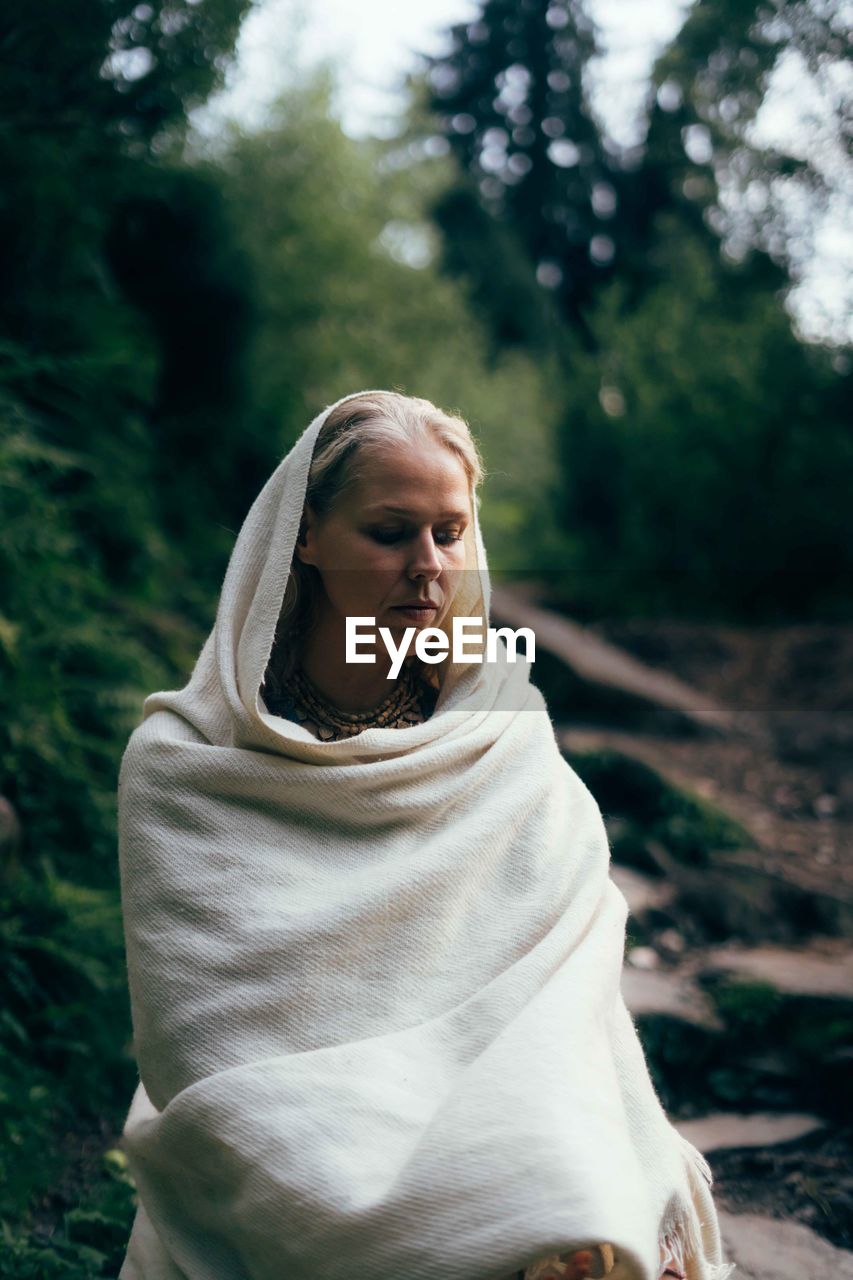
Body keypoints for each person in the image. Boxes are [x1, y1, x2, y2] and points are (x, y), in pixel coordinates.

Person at [117, 390, 735, 1280]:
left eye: (448, 533)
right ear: (307, 535)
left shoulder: (498, 733)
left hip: (504, 1112)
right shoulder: (186, 768)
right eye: (389, 532)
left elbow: (562, 1003)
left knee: (567, 1199)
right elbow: (202, 1047)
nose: (427, 565)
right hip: (290, 1133)